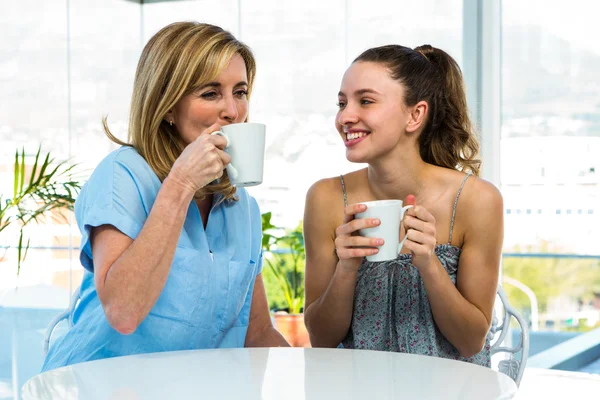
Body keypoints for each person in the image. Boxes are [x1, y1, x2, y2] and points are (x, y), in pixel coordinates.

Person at [42, 21, 288, 371]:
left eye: (241, 91)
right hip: (95, 385)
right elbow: (123, 313)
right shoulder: (122, 176)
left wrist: (312, 380)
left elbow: (259, 333)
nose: (232, 111)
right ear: (168, 105)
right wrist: (180, 185)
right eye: (210, 93)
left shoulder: (241, 208)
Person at [303, 44, 503, 366]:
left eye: (365, 101)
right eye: (342, 103)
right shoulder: (325, 198)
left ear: (415, 115)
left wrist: (428, 263)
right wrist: (347, 268)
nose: (345, 117)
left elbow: (470, 342)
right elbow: (321, 339)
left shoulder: (477, 200)